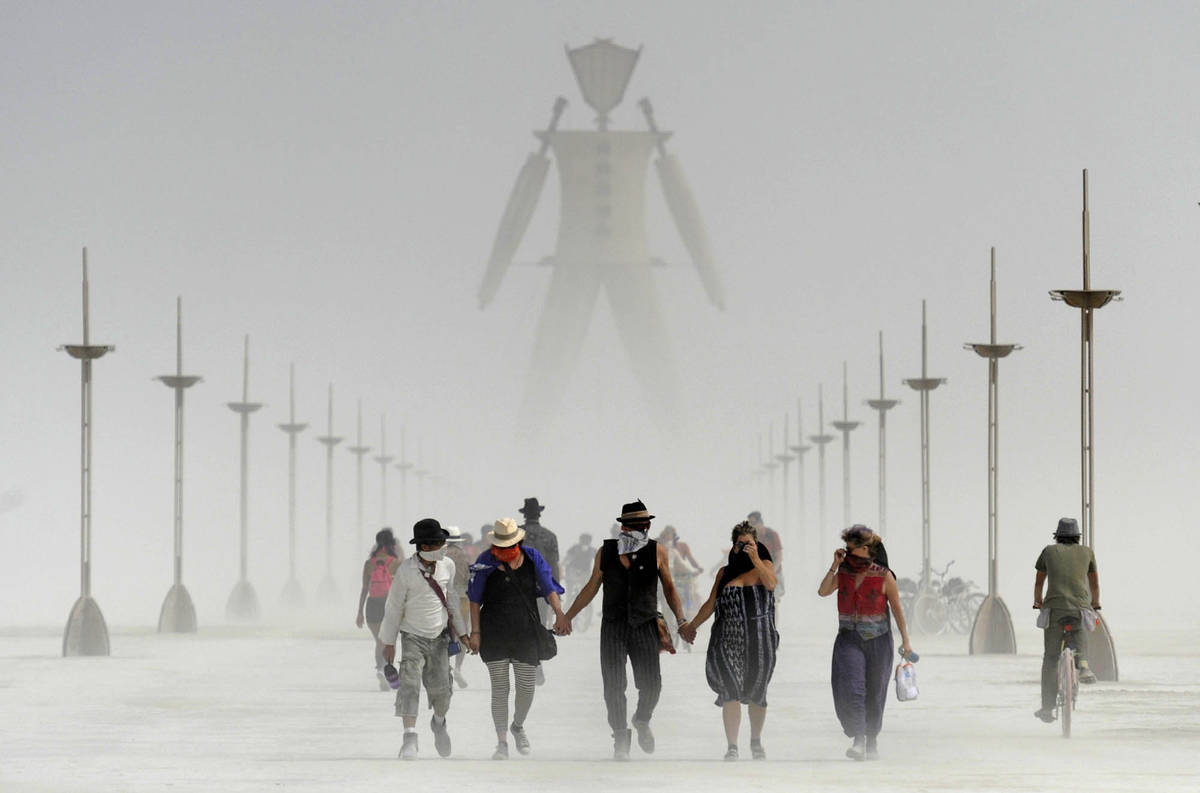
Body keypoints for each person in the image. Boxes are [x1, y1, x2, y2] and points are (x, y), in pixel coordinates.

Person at [558, 499, 688, 760]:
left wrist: (682, 621)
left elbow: (670, 589)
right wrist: (567, 616)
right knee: (614, 686)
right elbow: (591, 587)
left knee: (652, 684)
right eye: (637, 525)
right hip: (614, 627)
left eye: (645, 524)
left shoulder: (657, 552)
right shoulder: (605, 552)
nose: (643, 528)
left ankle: (642, 719)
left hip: (645, 625)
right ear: (625, 527)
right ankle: (620, 736)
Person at [467, 517, 566, 759]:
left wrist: (560, 614)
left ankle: (517, 725)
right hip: (494, 632)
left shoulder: (532, 558)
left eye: (508, 545)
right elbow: (474, 599)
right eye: (499, 546)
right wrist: (476, 632)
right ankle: (501, 742)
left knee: (525, 689)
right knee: (500, 689)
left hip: (525, 632)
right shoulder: (485, 561)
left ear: (518, 542)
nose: (503, 551)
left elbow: (549, 587)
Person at [679, 521, 779, 761]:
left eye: (750, 544)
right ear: (733, 547)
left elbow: (771, 583)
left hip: (760, 640)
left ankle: (755, 741)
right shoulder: (725, 572)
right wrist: (691, 626)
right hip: (727, 639)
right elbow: (711, 603)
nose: (744, 548)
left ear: (757, 545)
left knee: (757, 692)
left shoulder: (765, 565)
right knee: (730, 690)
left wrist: (755, 558)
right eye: (740, 544)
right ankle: (732, 746)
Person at [817, 524, 913, 761]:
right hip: (849, 639)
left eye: (851, 550)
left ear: (866, 549)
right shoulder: (844, 573)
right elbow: (823, 591)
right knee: (853, 688)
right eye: (845, 550)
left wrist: (906, 642)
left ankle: (872, 740)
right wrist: (834, 565)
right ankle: (859, 739)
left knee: (875, 692)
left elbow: (898, 611)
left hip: (878, 641)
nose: (848, 554)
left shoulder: (884, 575)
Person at [380, 518, 474, 761]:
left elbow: (451, 599)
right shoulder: (406, 571)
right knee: (409, 686)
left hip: (440, 638)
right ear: (425, 547)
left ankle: (438, 723)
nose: (443, 548)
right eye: (438, 544)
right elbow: (393, 607)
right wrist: (388, 642)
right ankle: (409, 737)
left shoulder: (448, 566)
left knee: (442, 691)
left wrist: (463, 634)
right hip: (412, 636)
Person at [1033, 517, 1101, 723]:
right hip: (1080, 607)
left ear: (1057, 537)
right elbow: (1095, 585)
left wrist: (1038, 602)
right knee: (1080, 633)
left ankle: (1047, 708)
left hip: (1054, 608)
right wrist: (1095, 604)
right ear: (1077, 537)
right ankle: (1085, 666)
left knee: (1051, 658)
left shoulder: (1048, 551)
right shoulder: (1087, 552)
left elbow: (1039, 582)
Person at [356, 528, 403, 690]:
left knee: (379, 641)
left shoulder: (369, 564)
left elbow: (364, 589)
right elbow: (401, 589)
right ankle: (388, 670)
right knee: (389, 642)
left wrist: (359, 613)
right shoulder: (395, 563)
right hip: (389, 605)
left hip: (372, 606)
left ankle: (380, 669)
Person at [518, 497, 561, 627]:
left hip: (518, 586)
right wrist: (556, 591)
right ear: (539, 514)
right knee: (540, 623)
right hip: (542, 586)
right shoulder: (550, 536)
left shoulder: (515, 534)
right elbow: (554, 566)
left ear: (524, 515)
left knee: (518, 624)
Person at [443, 526, 473, 689]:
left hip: (443, 600)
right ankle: (459, 668)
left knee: (445, 634)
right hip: (462, 599)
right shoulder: (463, 556)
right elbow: (468, 578)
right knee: (462, 633)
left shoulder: (440, 555)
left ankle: (445, 666)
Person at [747, 511, 784, 596]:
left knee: (773, 599)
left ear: (760, 523)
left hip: (774, 573)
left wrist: (770, 573)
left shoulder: (772, 535)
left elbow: (779, 558)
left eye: (753, 523)